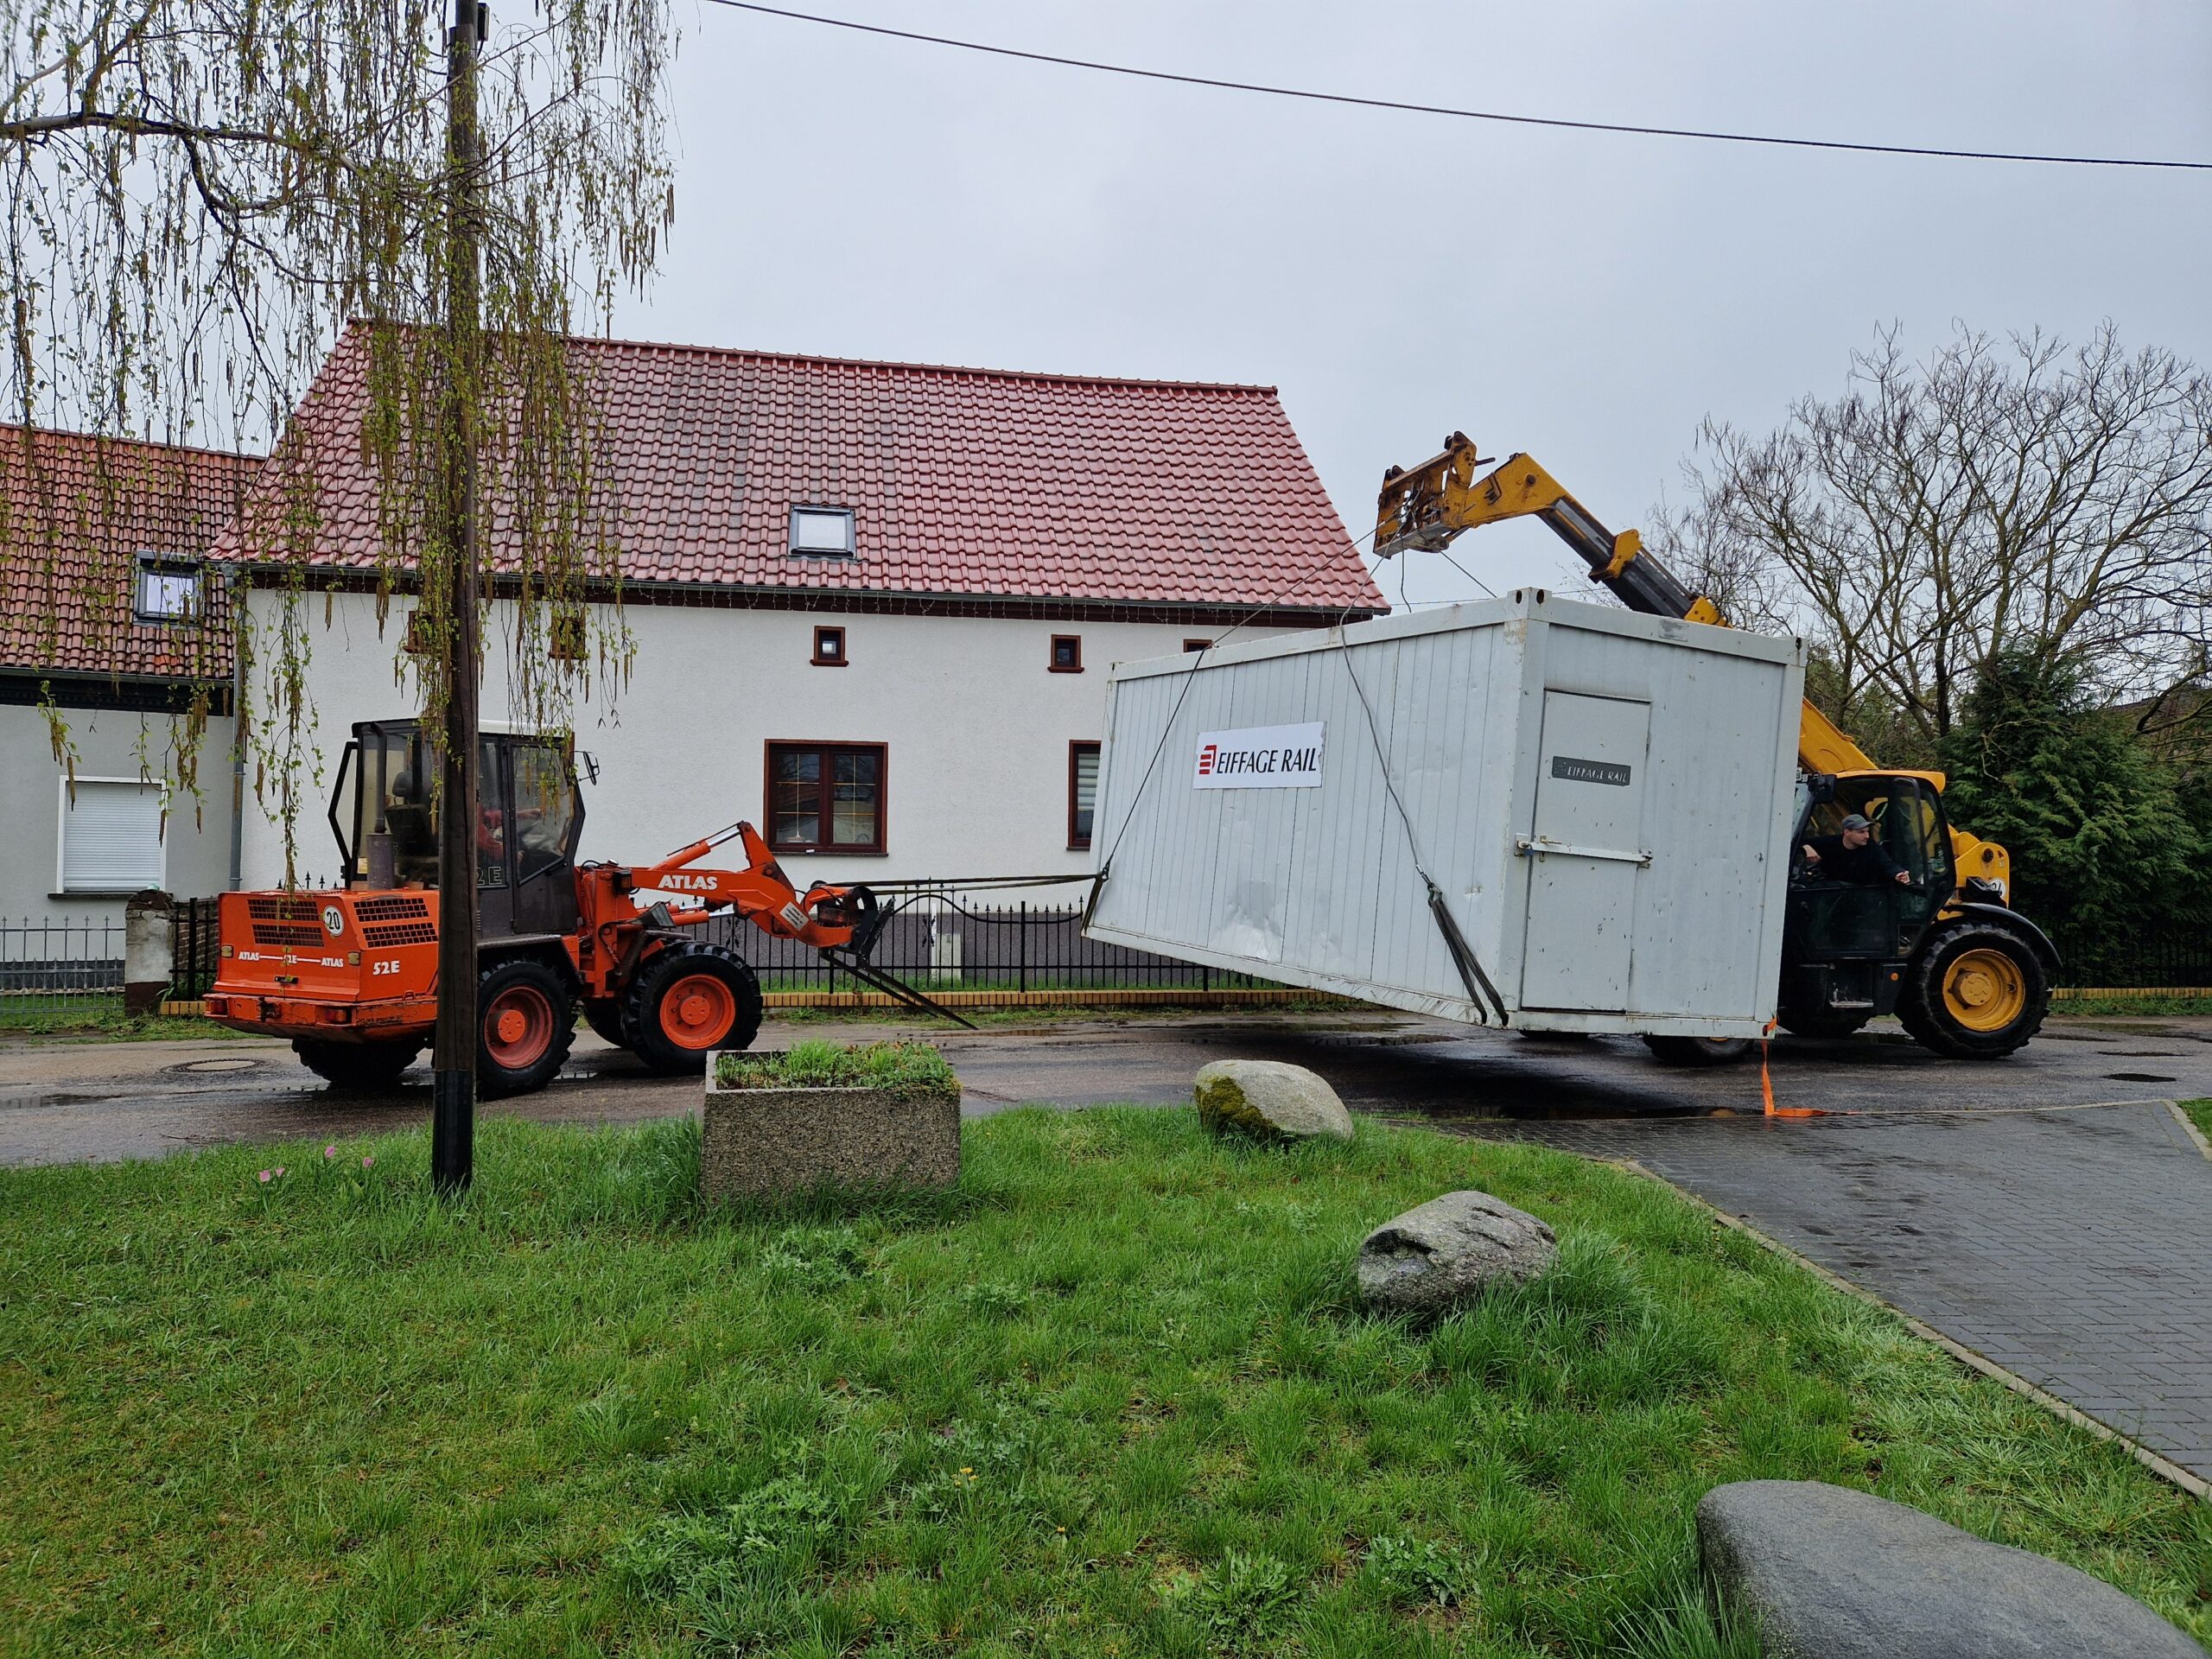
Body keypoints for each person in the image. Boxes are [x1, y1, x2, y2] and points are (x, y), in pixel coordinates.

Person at [1802, 812, 1910, 885]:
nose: (1867, 836)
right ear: (1847, 832)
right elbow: (1796, 842)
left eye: (1867, 831)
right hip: (1832, 892)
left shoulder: (1871, 847)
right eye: (1861, 832)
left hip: (1861, 894)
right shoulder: (1830, 843)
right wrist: (1805, 848)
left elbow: (1887, 864)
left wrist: (1898, 873)